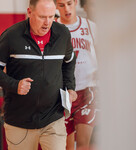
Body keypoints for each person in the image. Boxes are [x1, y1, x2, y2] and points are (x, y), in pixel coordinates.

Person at [0, 0, 77, 150]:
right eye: (42, 17)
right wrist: (15, 85)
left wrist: (70, 87)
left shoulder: (63, 33)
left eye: (51, 16)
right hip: (19, 122)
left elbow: (69, 62)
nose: (47, 23)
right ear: (29, 12)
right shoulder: (11, 35)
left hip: (53, 118)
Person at [56, 0, 98, 150]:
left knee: (82, 143)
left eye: (69, 3)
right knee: (66, 146)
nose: (66, 8)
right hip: (63, 93)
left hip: (87, 91)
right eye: (61, 5)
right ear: (56, 6)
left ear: (75, 2)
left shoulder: (91, 27)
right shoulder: (53, 29)